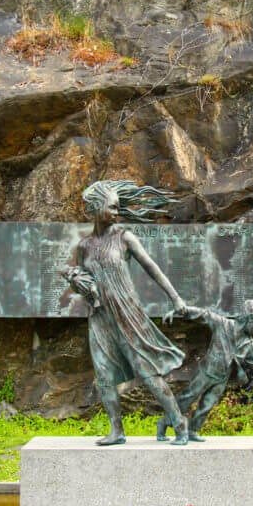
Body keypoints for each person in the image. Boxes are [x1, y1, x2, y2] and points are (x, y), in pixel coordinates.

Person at [65, 180, 190, 446]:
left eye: (118, 208)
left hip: (127, 313)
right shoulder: (84, 247)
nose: (116, 212)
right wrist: (77, 280)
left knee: (147, 372)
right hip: (99, 318)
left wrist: (176, 299)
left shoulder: (123, 237)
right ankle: (116, 430)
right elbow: (83, 281)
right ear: (97, 208)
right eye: (111, 207)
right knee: (103, 374)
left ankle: (179, 422)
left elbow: (152, 269)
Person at [157, 299, 253, 442]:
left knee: (207, 405)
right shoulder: (222, 324)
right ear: (250, 318)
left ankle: (192, 430)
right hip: (205, 373)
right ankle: (164, 423)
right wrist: (180, 311)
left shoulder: (248, 344)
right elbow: (203, 315)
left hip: (222, 379)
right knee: (187, 399)